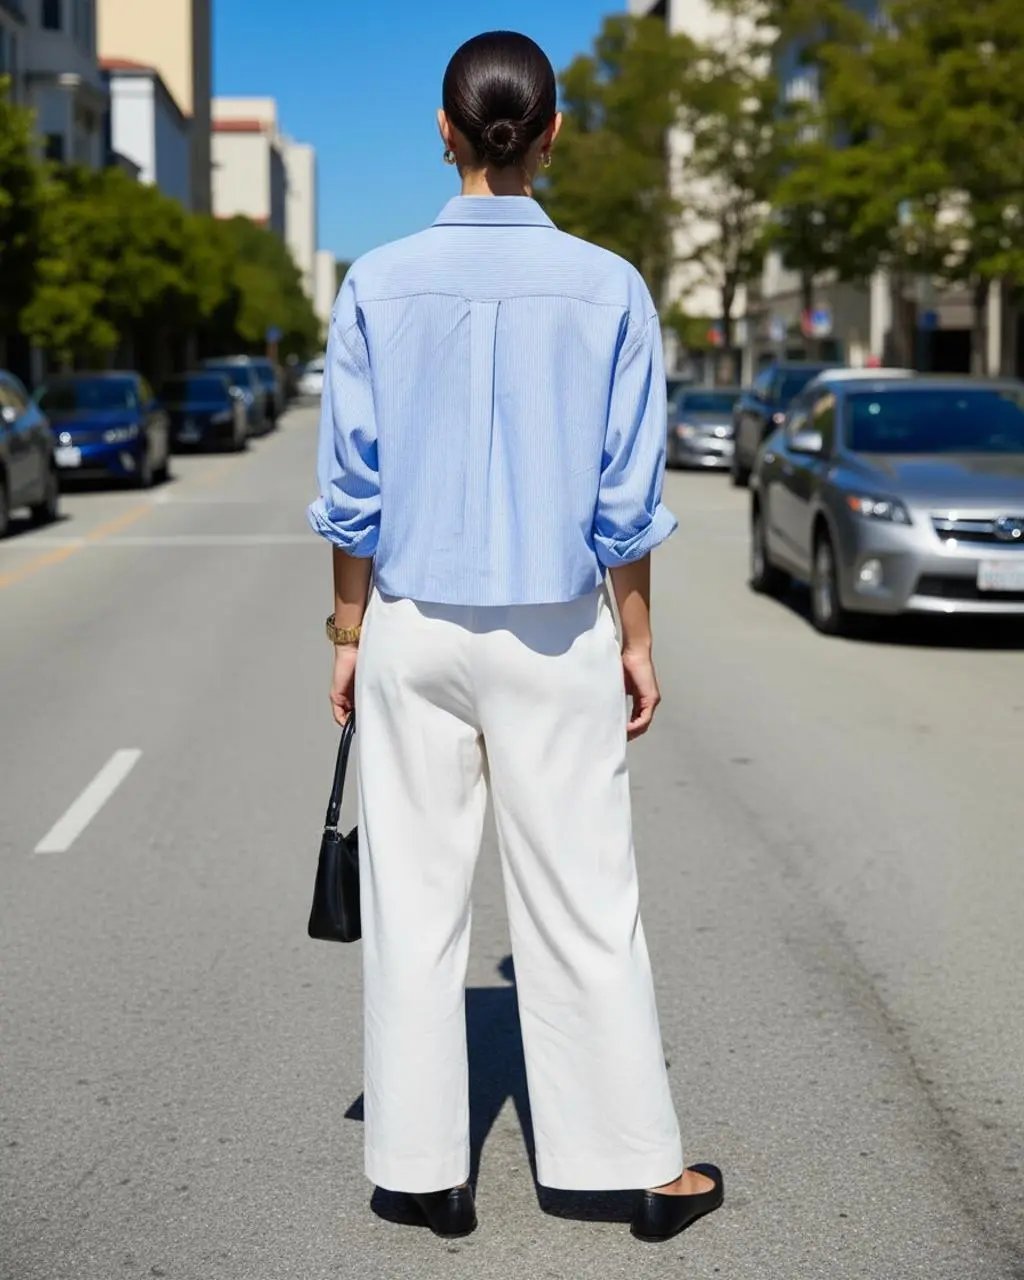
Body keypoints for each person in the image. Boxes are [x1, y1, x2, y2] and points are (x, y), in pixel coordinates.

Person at [308, 30, 723, 1244]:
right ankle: (632, 1168)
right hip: (552, 634)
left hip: (413, 626)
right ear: (551, 136)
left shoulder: (376, 281)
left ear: (446, 132)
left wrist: (347, 631)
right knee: (586, 900)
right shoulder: (611, 287)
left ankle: (425, 1170)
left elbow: (353, 488)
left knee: (416, 901)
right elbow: (623, 504)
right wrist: (636, 637)